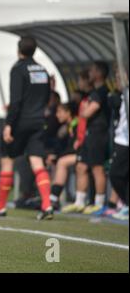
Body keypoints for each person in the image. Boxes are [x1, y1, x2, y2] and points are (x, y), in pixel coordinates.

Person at [0, 36, 54, 220]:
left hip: (20, 122)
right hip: (39, 121)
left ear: (19, 50)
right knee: (37, 162)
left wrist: (8, 125)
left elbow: (16, 100)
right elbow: (47, 98)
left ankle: (0, 207)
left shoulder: (18, 69)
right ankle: (47, 205)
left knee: (7, 160)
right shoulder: (43, 70)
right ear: (35, 50)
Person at [63, 62, 111, 215]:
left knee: (97, 168)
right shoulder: (93, 92)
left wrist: (84, 110)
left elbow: (87, 112)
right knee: (81, 167)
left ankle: (99, 203)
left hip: (98, 134)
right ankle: (79, 202)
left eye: (92, 71)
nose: (89, 73)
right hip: (89, 135)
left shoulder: (102, 91)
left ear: (98, 74)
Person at [49, 102, 79, 210]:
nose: (57, 115)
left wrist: (57, 157)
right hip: (74, 155)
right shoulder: (66, 127)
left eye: (60, 112)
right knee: (55, 162)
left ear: (68, 112)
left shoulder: (77, 124)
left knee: (61, 162)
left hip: (83, 154)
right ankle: (52, 197)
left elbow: (75, 148)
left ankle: (53, 198)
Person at [110, 86, 129, 221]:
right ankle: (126, 203)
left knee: (116, 174)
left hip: (126, 141)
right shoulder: (123, 92)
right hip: (122, 139)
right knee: (117, 174)